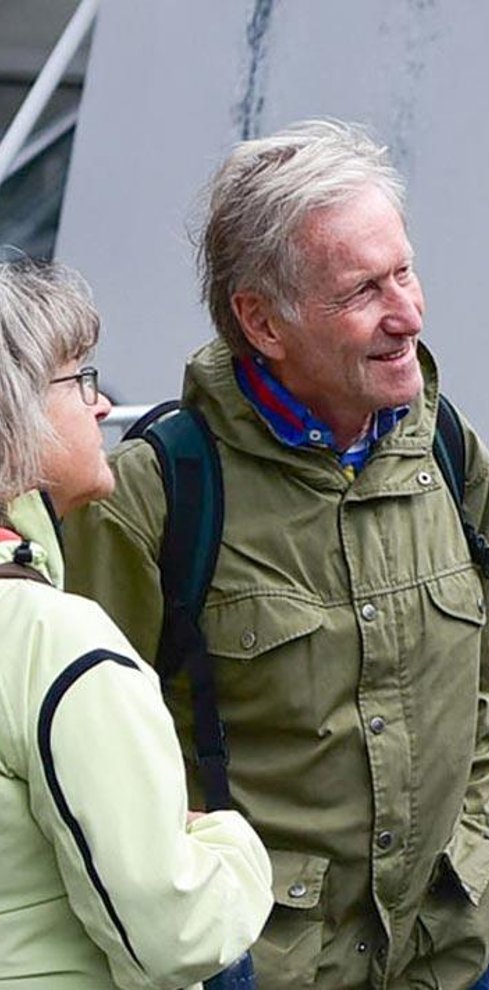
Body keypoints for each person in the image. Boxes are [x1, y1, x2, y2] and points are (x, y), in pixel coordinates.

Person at [64, 120, 489, 990]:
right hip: (257, 970)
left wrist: (476, 845)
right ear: (262, 321)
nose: (408, 314)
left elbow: (480, 699)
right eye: (362, 291)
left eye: (406, 271)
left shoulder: (453, 455)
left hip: (444, 957)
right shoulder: (157, 496)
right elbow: (96, 779)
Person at [0, 257, 272, 989]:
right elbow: (174, 935)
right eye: (77, 376)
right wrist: (230, 842)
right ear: (12, 414)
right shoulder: (58, 644)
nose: (100, 405)